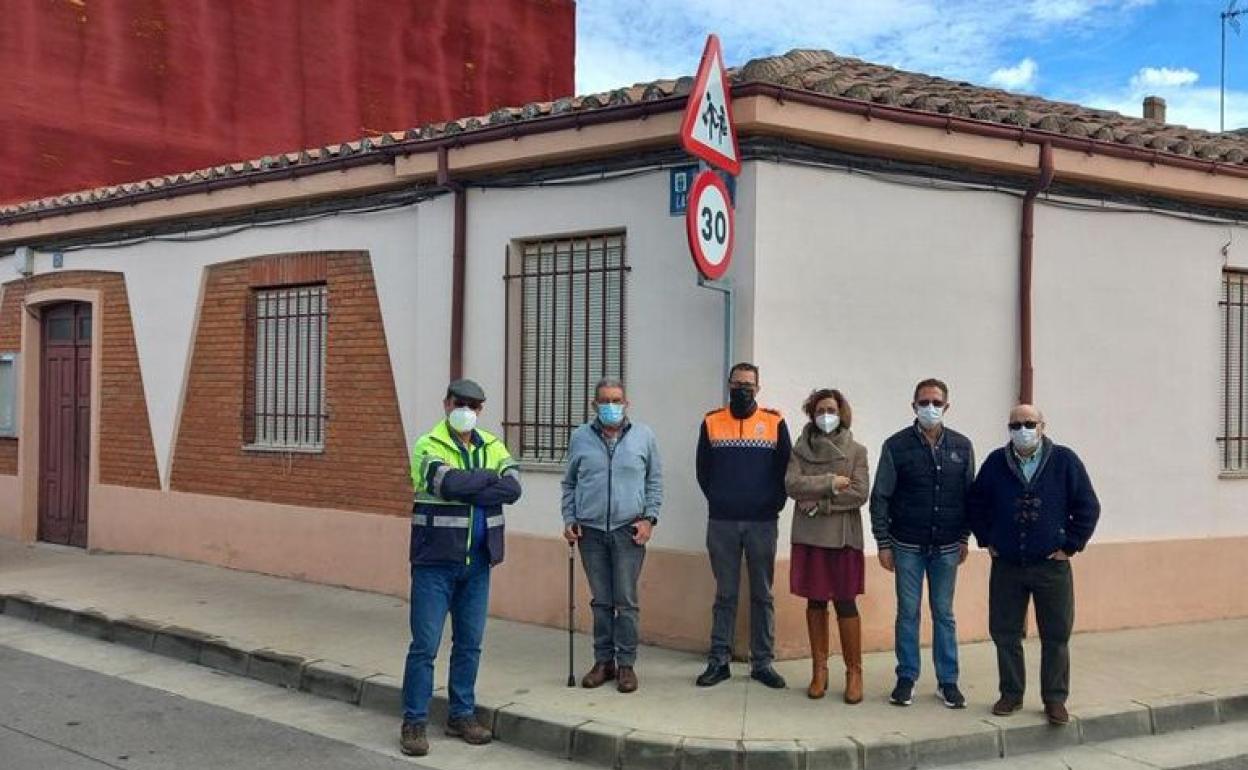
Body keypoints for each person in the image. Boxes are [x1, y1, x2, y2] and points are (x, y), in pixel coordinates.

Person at [400, 379, 522, 758]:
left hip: (479, 561)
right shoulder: (428, 444)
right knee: (425, 646)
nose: (467, 409)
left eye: (474, 405)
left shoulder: (492, 443)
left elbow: (513, 488)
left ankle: (461, 715)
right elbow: (446, 482)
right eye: (461, 402)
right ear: (447, 402)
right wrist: (486, 479)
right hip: (434, 563)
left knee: (469, 645)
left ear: (481, 410)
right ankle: (414, 721)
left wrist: (472, 484)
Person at [968, 404, 1100, 726]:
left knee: (1056, 634)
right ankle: (1011, 693)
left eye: (1029, 423)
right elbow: (975, 503)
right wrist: (988, 539)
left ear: (1042, 425)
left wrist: (1070, 545)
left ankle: (1055, 699)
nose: (1022, 429)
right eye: (1016, 424)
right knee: (1005, 632)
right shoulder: (996, 463)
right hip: (1008, 565)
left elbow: (1087, 506)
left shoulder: (1064, 461)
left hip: (1050, 566)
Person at [869, 378, 974, 709]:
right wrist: (883, 543)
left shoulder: (961, 446)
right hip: (907, 546)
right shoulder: (896, 446)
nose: (930, 408)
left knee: (944, 613)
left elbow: (970, 497)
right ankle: (906, 677)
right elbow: (880, 498)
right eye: (924, 402)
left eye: (936, 402)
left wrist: (964, 538)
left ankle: (948, 681)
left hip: (946, 547)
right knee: (908, 613)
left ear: (947, 406)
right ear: (913, 405)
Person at [561, 378, 663, 694]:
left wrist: (649, 520)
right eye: (604, 401)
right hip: (590, 531)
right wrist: (569, 519)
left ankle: (627, 665)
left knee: (626, 601)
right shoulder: (580, 437)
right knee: (601, 601)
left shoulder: (644, 436)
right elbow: (569, 484)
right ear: (594, 405)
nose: (611, 406)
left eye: (616, 400)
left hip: (628, 531)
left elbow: (654, 481)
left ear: (626, 403)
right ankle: (603, 662)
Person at [694, 362, 791, 689]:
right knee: (725, 594)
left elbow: (785, 473)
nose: (743, 390)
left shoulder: (774, 423)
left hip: (762, 522)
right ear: (729, 385)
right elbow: (703, 472)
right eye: (737, 384)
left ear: (758, 389)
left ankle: (762, 663)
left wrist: (770, 505)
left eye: (749, 385)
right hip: (722, 521)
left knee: (762, 594)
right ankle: (718, 660)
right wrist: (721, 500)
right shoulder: (711, 422)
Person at [785, 388, 870, 703]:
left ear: (841, 412)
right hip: (810, 537)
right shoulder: (799, 449)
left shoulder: (857, 451)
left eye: (831, 409)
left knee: (846, 602)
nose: (826, 415)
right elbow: (792, 484)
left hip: (843, 537)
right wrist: (832, 483)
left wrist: (820, 504)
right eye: (820, 410)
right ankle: (819, 670)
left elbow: (860, 493)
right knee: (815, 601)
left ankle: (854, 672)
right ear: (812, 413)